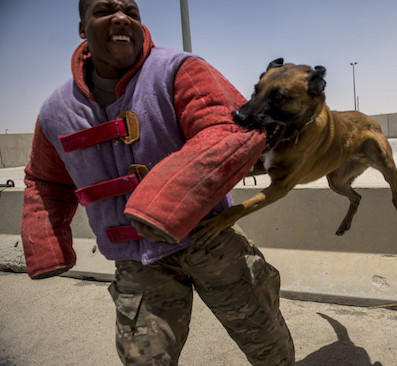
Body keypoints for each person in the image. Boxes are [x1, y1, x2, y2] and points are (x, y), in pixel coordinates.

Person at [20, 0, 295, 365]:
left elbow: (230, 129)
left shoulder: (178, 70)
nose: (121, 17)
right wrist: (46, 245)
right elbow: (44, 181)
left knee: (268, 345)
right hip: (137, 263)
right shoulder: (56, 112)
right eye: (105, 10)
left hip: (209, 241)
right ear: (82, 27)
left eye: (131, 11)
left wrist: (162, 203)